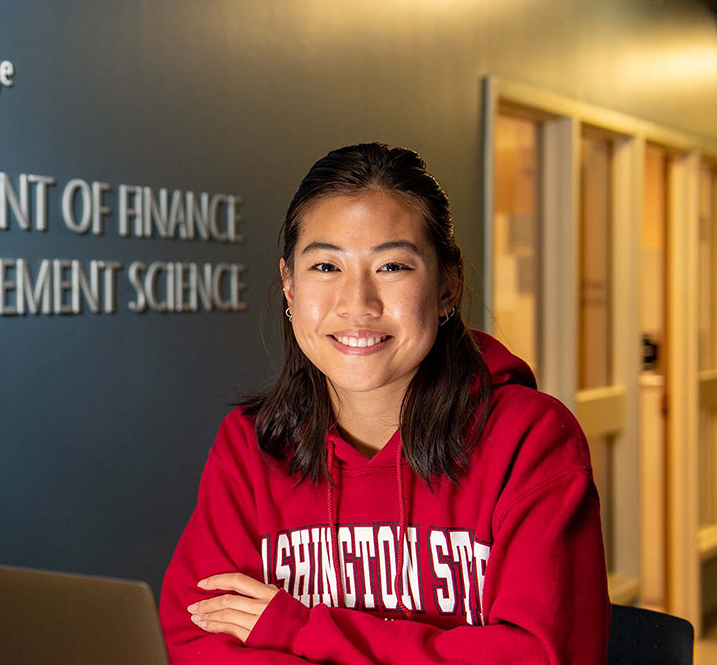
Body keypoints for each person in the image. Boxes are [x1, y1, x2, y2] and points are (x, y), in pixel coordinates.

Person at [158, 142, 610, 664]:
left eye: (392, 266)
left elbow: (538, 656)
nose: (357, 304)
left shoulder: (529, 439)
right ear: (288, 283)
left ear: (447, 285)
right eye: (326, 267)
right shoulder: (251, 443)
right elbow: (199, 638)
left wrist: (301, 631)